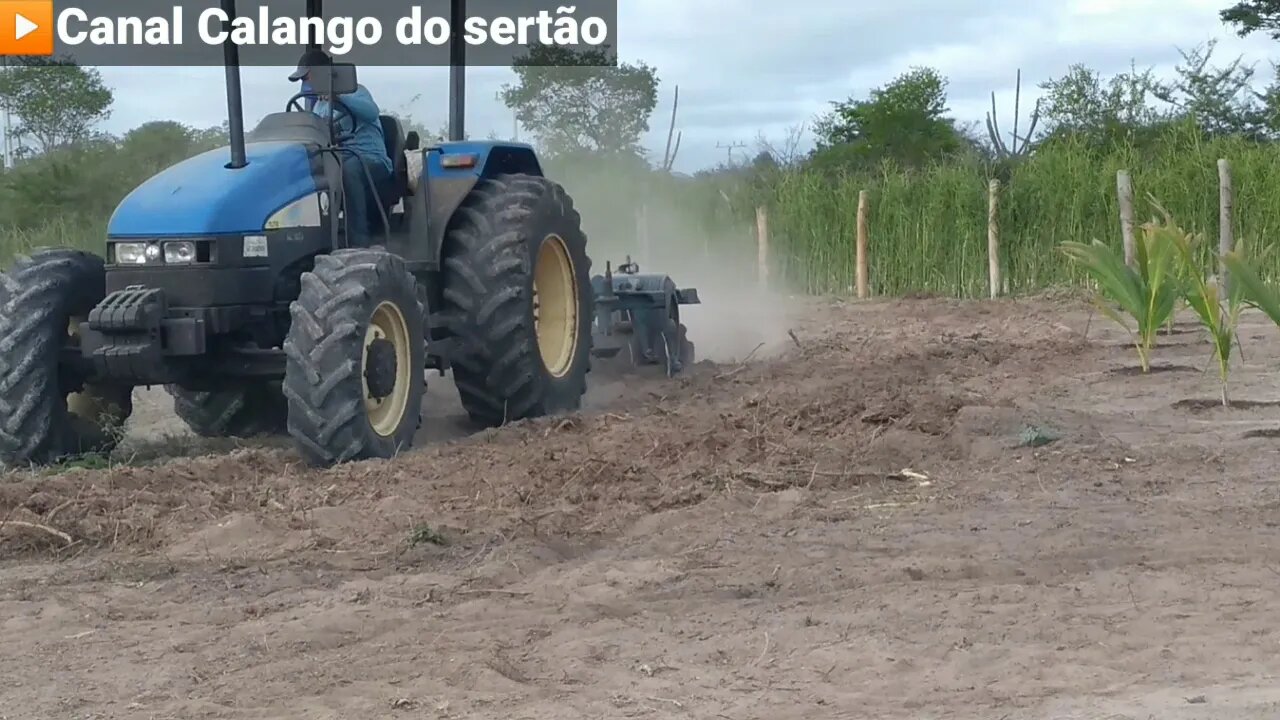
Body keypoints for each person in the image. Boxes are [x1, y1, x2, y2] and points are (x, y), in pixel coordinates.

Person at [289, 49, 393, 248]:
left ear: (321, 74)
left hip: (369, 158)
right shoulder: (317, 107)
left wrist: (339, 98)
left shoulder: (356, 91)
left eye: (307, 78)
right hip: (336, 159)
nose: (305, 85)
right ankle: (313, 242)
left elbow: (371, 113)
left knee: (348, 170)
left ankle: (359, 242)